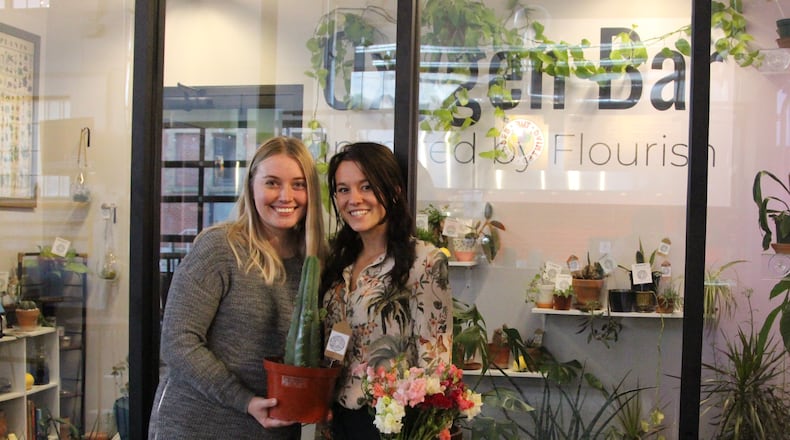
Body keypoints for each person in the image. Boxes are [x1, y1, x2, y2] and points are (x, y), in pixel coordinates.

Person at [148, 136, 326, 439]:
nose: (286, 196)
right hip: (197, 425)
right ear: (252, 186)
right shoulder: (221, 247)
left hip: (271, 431)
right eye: (272, 183)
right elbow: (178, 341)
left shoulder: (315, 261)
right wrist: (244, 400)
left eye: (298, 184)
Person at [320, 142, 452, 439]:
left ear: (393, 191)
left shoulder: (424, 261)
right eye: (343, 189)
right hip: (338, 417)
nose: (354, 199)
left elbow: (436, 360)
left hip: (393, 423)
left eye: (366, 186)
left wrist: (433, 426)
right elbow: (334, 340)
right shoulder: (335, 260)